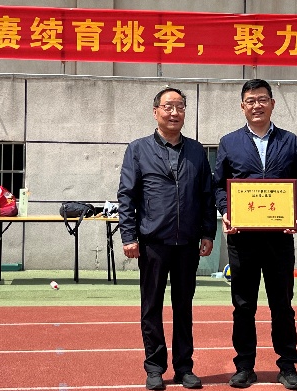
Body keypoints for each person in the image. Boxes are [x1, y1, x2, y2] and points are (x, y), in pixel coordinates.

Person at [213, 79, 297, 390]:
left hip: (279, 238)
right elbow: (219, 185)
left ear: (272, 103)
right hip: (242, 238)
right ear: (242, 106)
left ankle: (287, 365)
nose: (257, 105)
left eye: (262, 99)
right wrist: (226, 210)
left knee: (282, 304)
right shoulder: (229, 142)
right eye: (251, 100)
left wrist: (295, 209)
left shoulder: (289, 141)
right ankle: (244, 366)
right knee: (243, 305)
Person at [117, 86, 217, 390]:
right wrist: (129, 235)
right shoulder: (138, 149)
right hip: (153, 242)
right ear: (155, 112)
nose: (175, 112)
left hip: (187, 242)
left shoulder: (196, 151)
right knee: (151, 307)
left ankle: (184, 367)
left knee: (183, 307)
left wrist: (208, 232)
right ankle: (154, 367)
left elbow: (207, 195)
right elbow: (127, 195)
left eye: (180, 107)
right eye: (168, 106)